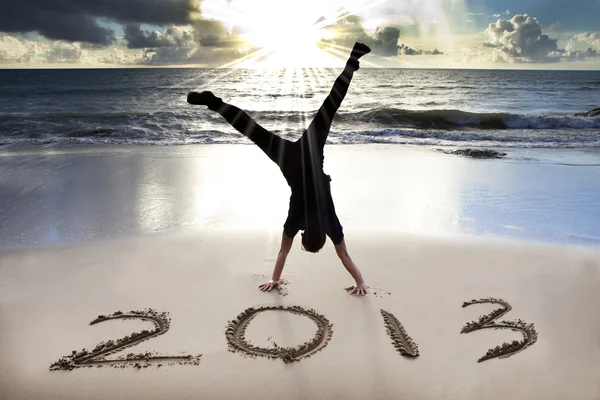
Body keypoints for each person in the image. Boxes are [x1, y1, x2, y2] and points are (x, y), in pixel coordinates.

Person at [188, 42, 370, 296]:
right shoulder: (296, 222)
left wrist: (361, 281)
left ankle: (353, 60)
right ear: (304, 234)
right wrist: (274, 279)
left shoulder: (331, 225)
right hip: (289, 162)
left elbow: (345, 255)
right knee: (252, 130)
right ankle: (214, 103)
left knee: (330, 107)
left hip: (310, 154)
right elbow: (283, 251)